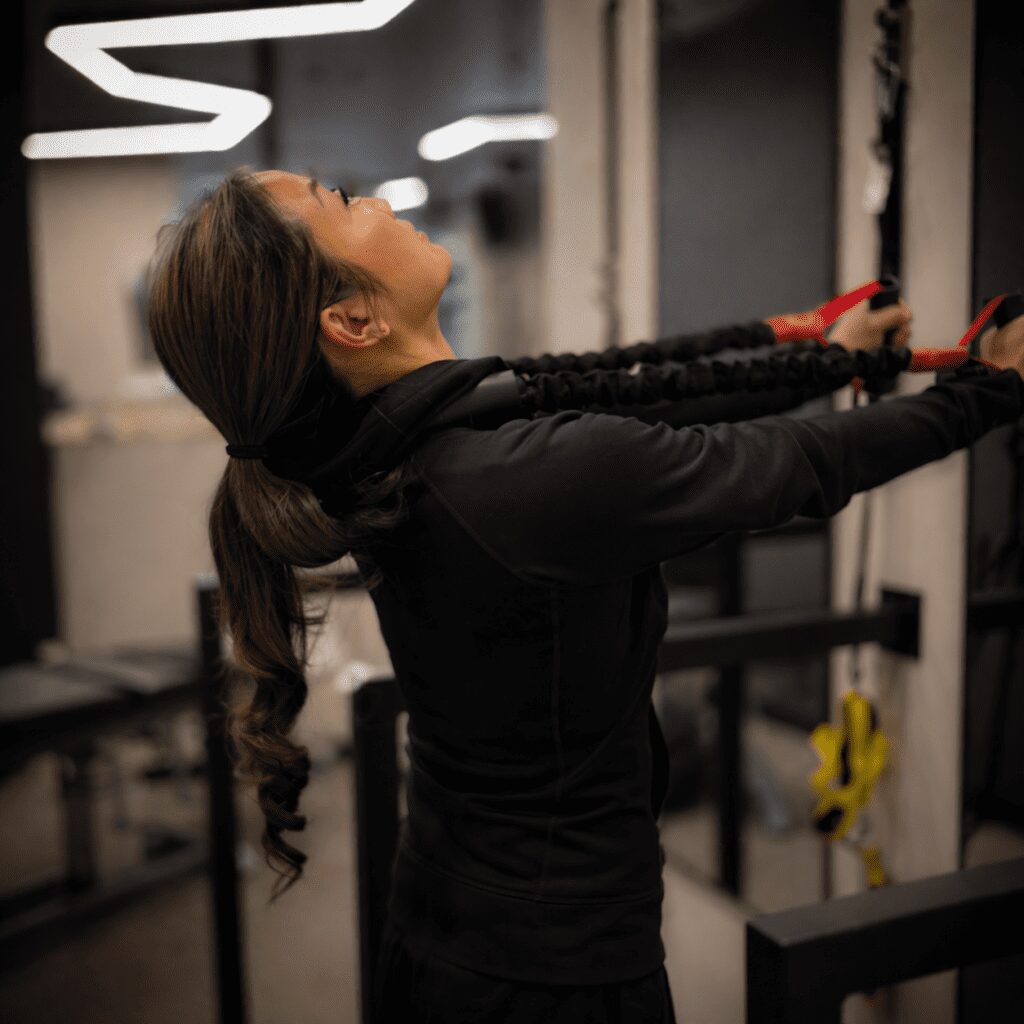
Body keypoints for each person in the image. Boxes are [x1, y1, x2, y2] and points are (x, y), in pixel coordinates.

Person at [144, 168, 1024, 1023]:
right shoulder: (514, 477)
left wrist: (823, 362)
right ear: (352, 318)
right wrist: (991, 390)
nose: (371, 197)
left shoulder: (402, 447)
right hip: (548, 976)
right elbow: (795, 466)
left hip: (456, 925)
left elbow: (630, 386)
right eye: (339, 203)